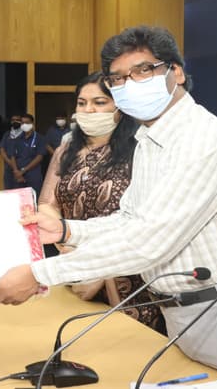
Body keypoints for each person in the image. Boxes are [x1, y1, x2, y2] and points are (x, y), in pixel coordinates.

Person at [0, 26, 217, 389]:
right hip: (183, 311)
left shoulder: (204, 140)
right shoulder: (150, 139)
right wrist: (68, 230)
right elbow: (131, 218)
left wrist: (39, 274)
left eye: (143, 71)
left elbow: (148, 242)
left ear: (176, 72)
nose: (129, 85)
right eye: (118, 78)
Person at [38, 73, 164, 333]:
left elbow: (144, 222)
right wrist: (72, 253)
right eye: (82, 103)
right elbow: (47, 205)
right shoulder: (66, 150)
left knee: (129, 345)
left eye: (99, 102)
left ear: (120, 106)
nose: (88, 110)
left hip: (129, 277)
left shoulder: (142, 149)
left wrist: (99, 269)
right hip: (74, 270)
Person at [2, 114, 48, 196]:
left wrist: (23, 171)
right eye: (22, 123)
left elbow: (39, 157)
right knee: (18, 199)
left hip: (33, 175)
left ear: (32, 124)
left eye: (27, 123)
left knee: (33, 199)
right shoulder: (17, 138)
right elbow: (12, 156)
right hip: (18, 176)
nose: (24, 125)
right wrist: (16, 171)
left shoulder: (40, 138)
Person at [0, 114, 22, 189]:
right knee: (8, 187)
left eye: (17, 120)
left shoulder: (25, 134)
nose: (15, 122)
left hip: (21, 166)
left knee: (19, 188)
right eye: (13, 120)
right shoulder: (7, 134)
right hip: (8, 166)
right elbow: (2, 149)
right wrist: (9, 162)